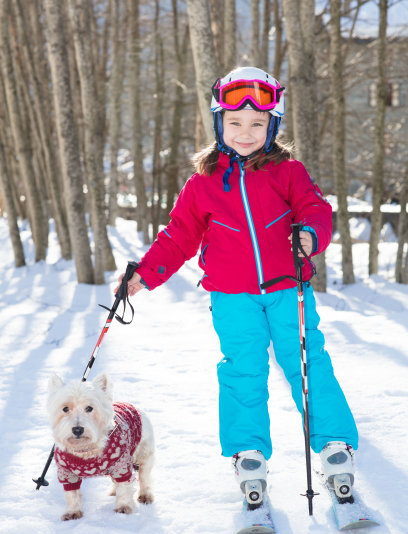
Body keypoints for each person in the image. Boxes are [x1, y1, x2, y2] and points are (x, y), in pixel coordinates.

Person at [116, 66, 358, 508]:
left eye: (257, 124)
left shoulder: (288, 171)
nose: (245, 133)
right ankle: (249, 455)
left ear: (272, 126)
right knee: (243, 371)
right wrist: (144, 274)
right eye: (235, 123)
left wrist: (310, 234)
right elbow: (178, 235)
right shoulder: (203, 184)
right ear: (218, 123)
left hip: (288, 290)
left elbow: (315, 207)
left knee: (307, 363)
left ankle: (335, 446)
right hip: (232, 296)